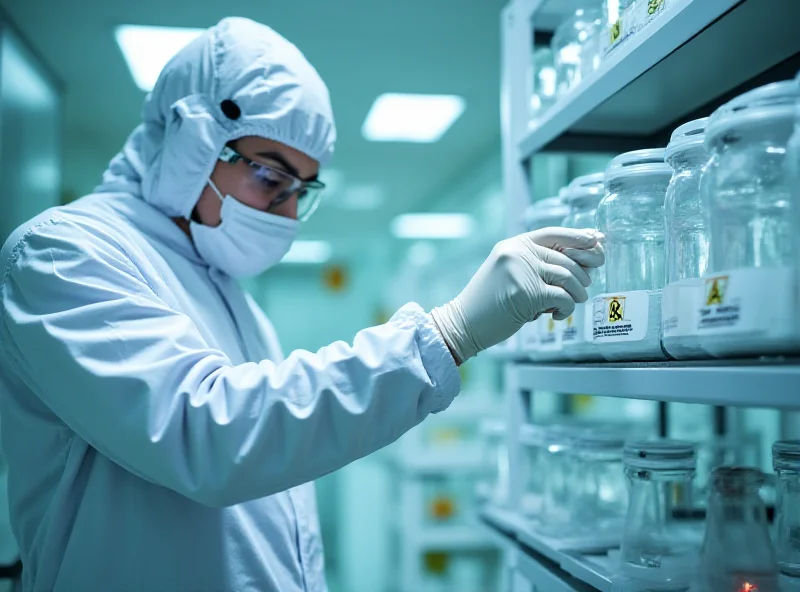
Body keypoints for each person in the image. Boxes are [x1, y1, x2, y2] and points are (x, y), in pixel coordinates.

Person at [0, 17, 604, 592]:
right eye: (271, 177)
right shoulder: (63, 254)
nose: (287, 214)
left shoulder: (226, 294)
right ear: (192, 140)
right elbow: (208, 435)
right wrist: (448, 334)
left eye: (301, 192)